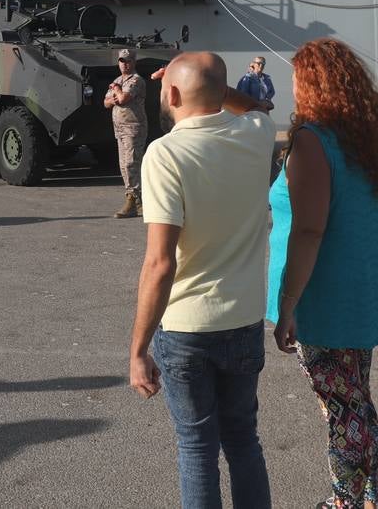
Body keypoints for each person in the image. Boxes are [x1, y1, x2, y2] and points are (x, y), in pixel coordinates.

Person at [128, 52, 276, 509]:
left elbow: (160, 263)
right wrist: (211, 84)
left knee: (196, 449)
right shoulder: (257, 134)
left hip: (187, 327)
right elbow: (256, 107)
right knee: (243, 441)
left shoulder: (165, 154)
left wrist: (138, 350)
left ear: (171, 94)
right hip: (244, 319)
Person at [268, 38, 378, 509]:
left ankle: (343, 502)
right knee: (357, 401)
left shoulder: (313, 139)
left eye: (295, 79)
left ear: (311, 84)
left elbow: (309, 230)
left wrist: (287, 305)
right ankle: (366, 498)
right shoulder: (370, 138)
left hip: (323, 298)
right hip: (363, 290)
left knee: (343, 409)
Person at [104, 48, 147, 219]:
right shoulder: (118, 80)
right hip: (120, 128)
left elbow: (123, 99)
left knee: (131, 163)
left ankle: (133, 200)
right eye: (122, 61)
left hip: (133, 128)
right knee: (123, 165)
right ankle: (137, 202)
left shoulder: (136, 80)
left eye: (128, 61)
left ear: (134, 62)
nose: (125, 64)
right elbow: (106, 103)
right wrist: (115, 95)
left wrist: (116, 90)